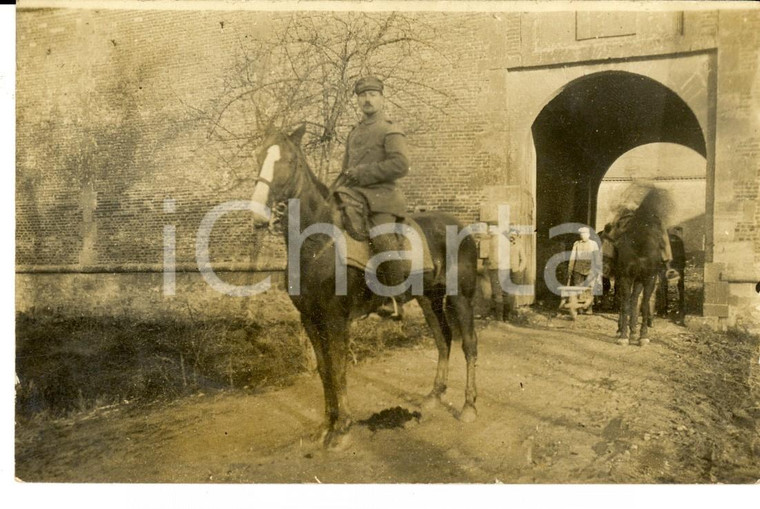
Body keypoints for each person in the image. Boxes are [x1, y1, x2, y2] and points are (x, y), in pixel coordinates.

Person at [338, 76, 410, 319]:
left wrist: (362, 173)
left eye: (372, 94)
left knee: (382, 239)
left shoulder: (390, 130)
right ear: (357, 100)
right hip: (354, 196)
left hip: (382, 198)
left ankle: (393, 298)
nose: (367, 99)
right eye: (362, 95)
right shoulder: (354, 133)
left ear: (381, 97)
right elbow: (346, 170)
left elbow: (400, 165)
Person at [486, 229, 526, 321]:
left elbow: (523, 259)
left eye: (514, 235)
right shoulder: (504, 245)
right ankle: (499, 317)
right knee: (500, 293)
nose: (512, 237)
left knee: (510, 294)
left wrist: (519, 269)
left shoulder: (518, 246)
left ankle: (508, 315)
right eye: (511, 235)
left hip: (514, 271)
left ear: (517, 236)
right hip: (504, 270)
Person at [567, 226, 602, 297]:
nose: (583, 235)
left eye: (585, 233)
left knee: (589, 289)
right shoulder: (576, 244)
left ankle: (588, 306)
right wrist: (570, 268)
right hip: (578, 270)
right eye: (581, 234)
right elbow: (573, 257)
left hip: (590, 270)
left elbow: (597, 258)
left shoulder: (593, 244)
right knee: (578, 288)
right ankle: (580, 305)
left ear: (588, 234)